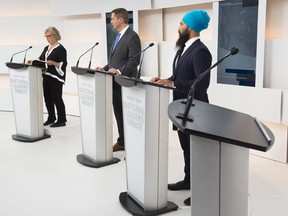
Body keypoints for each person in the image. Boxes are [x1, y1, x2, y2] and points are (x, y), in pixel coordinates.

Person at [150, 10, 212, 206]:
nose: (178, 27)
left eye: (181, 24)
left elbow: (201, 84)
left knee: (197, 151)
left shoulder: (201, 51)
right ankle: (188, 180)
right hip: (180, 107)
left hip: (195, 109)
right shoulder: (183, 48)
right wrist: (166, 80)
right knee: (186, 147)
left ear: (191, 27)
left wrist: (173, 84)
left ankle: (202, 189)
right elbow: (180, 76)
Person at [95, 8, 141, 152]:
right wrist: (104, 68)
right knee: (119, 113)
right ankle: (122, 142)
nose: (111, 21)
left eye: (113, 19)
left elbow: (135, 60)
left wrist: (120, 71)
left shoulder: (132, 36)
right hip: (114, 81)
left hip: (125, 81)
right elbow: (115, 61)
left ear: (120, 20)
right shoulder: (118, 36)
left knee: (127, 114)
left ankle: (131, 143)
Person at [29, 27, 67, 127]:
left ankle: (61, 120)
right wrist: (32, 62)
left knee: (56, 98)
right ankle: (51, 118)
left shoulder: (61, 49)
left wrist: (54, 63)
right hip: (46, 76)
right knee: (47, 98)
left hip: (55, 78)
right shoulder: (46, 48)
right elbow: (41, 59)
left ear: (55, 36)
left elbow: (64, 64)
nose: (47, 38)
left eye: (49, 36)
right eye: (46, 36)